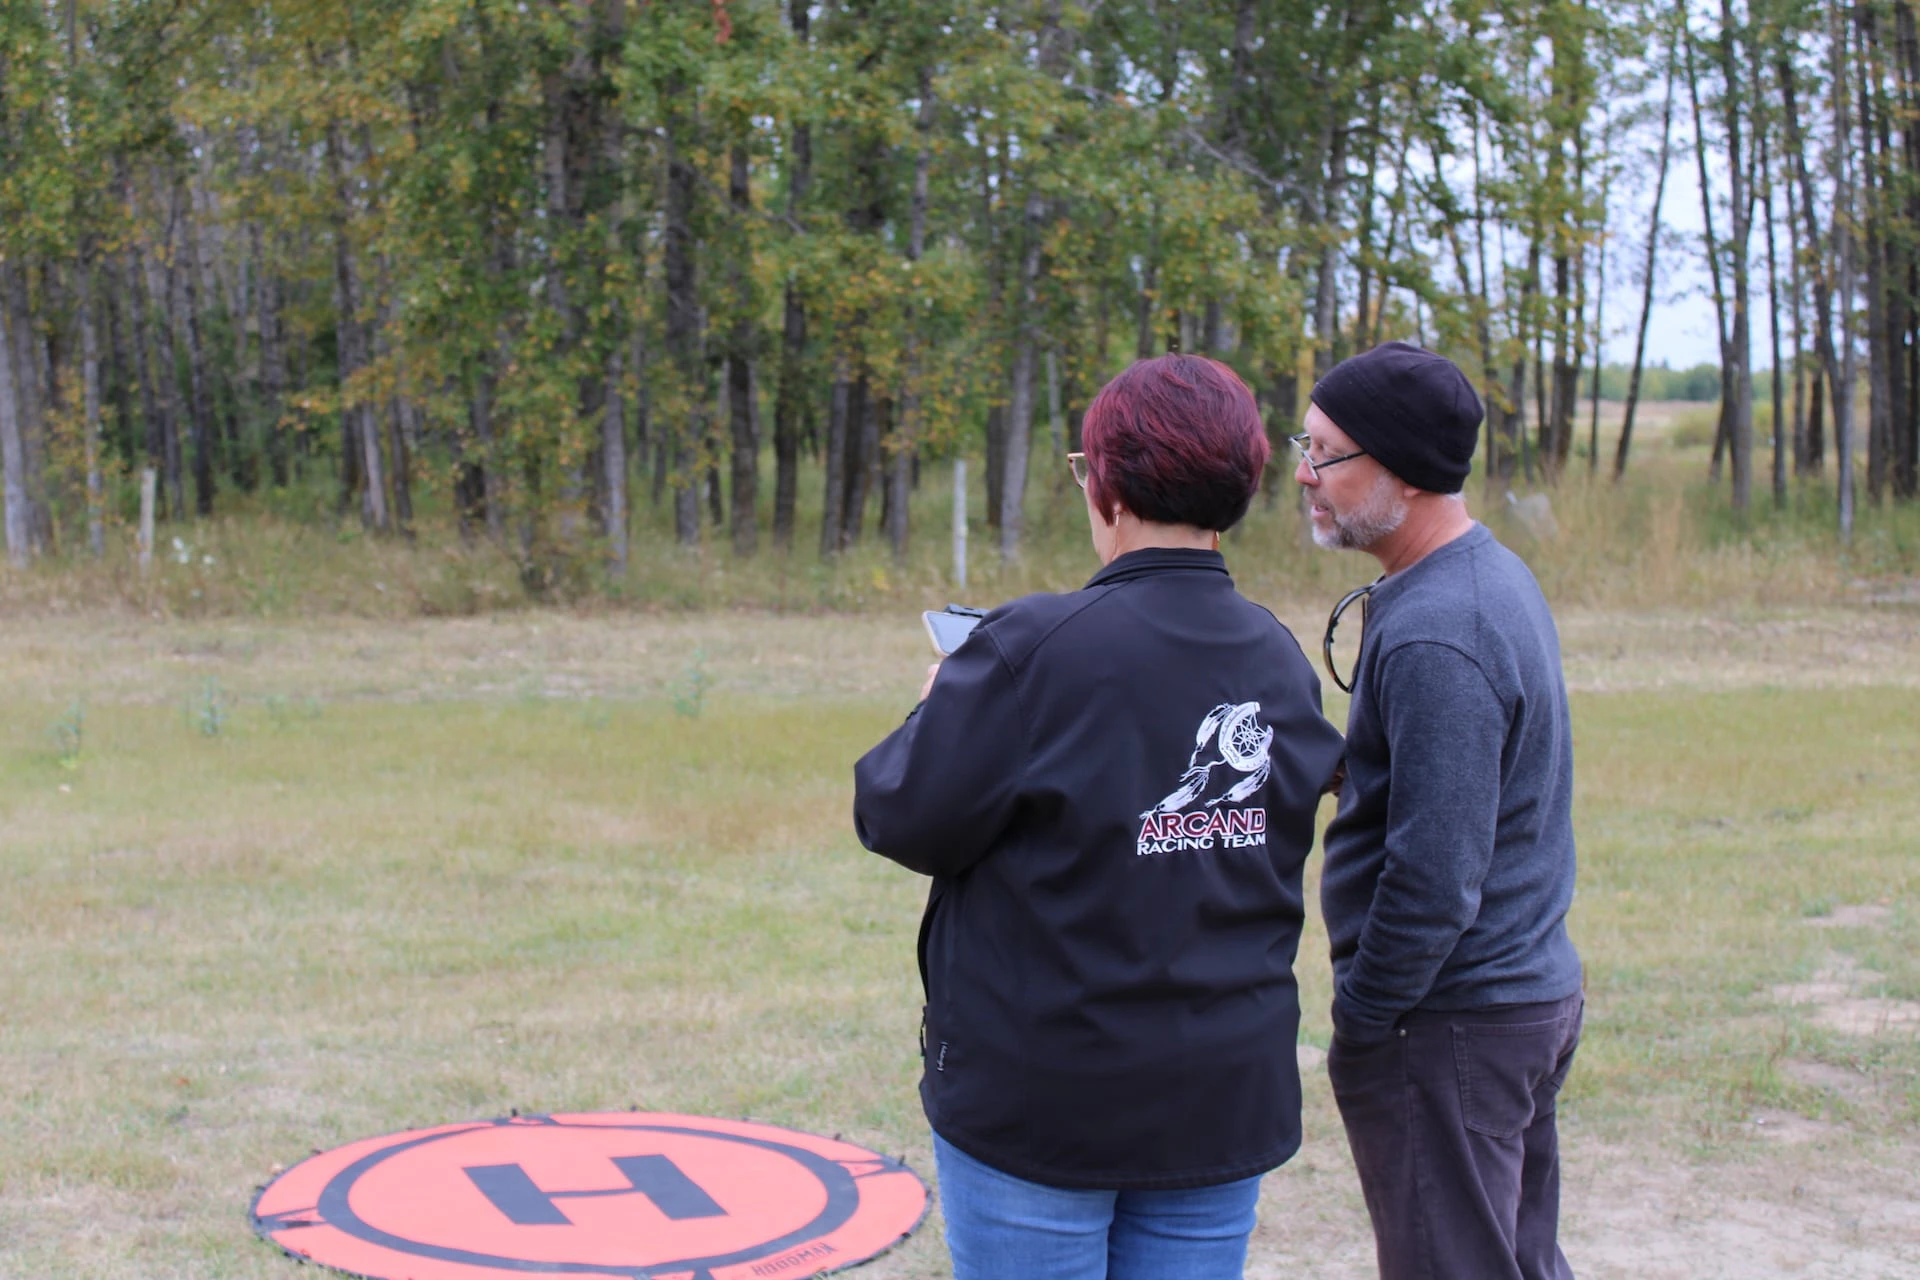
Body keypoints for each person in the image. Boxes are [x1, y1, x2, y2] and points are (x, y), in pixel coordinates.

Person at [853, 354, 1344, 1280]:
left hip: (1044, 1099)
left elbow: (901, 815)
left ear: (1107, 488)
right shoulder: (1276, 655)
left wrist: (937, 707)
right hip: (1220, 1087)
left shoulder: (1029, 649)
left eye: (1087, 468)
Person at [1295, 341, 1584, 1280]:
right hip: (1508, 1004)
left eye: (1328, 453)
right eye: (1305, 445)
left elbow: (1435, 875)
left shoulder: (1439, 629)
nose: (1305, 474)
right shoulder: (1479, 575)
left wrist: (1365, 1016)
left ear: (1407, 471)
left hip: (1452, 1019)